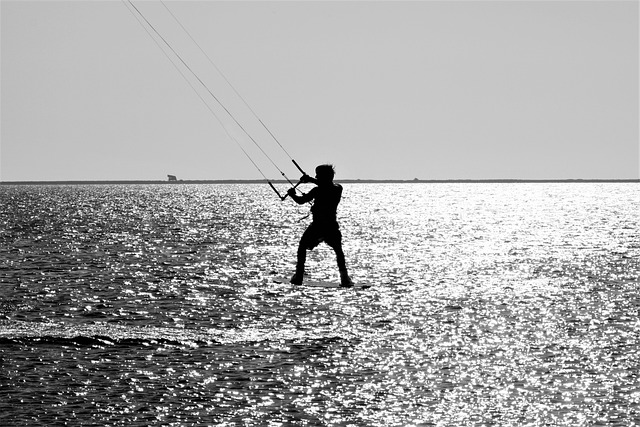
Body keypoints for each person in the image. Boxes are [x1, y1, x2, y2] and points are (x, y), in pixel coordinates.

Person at [287, 164, 353, 287]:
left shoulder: (318, 190)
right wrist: (311, 179)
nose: (316, 176)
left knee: (302, 247)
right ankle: (344, 278)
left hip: (317, 226)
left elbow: (301, 201)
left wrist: (292, 194)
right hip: (331, 226)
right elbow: (326, 184)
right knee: (338, 251)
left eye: (318, 175)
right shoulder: (338, 188)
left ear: (324, 177)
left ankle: (298, 277)